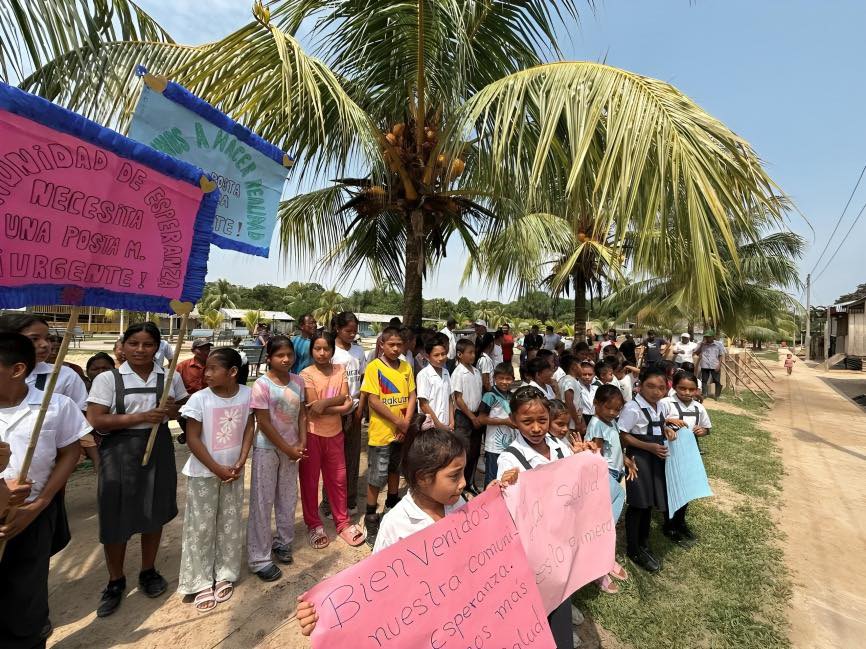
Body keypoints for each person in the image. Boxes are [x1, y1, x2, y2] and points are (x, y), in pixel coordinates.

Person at [296, 424, 472, 637]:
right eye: (454, 476)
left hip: (460, 618)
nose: (463, 483)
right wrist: (322, 610)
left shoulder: (458, 502)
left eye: (463, 473)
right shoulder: (395, 524)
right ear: (423, 478)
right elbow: (374, 587)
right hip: (421, 628)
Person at [87, 322, 187, 617]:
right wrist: (141, 416)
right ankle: (115, 580)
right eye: (134, 343)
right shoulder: (108, 379)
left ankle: (148, 570)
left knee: (153, 510)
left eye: (147, 344)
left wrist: (171, 411)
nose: (140, 350)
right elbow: (96, 419)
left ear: (157, 348)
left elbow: (181, 409)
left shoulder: (169, 377)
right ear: (123, 346)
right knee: (115, 514)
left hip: (158, 449)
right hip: (119, 451)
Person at [0, 333, 89, 649]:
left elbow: (70, 451)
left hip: (32, 515)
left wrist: (42, 501)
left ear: (17, 369)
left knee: (26, 593)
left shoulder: (56, 406)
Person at [496, 386, 575, 649]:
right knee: (535, 600)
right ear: (514, 421)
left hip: (563, 536)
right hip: (535, 546)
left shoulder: (560, 447)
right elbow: (507, 503)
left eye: (542, 420)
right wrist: (505, 486)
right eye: (527, 422)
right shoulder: (510, 458)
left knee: (562, 592)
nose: (536, 428)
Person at [177, 348, 255, 612]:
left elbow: (248, 426)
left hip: (234, 470)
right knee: (201, 526)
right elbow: (193, 438)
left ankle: (225, 573)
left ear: (232, 372)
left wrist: (242, 459)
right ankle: (198, 581)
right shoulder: (199, 400)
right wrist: (216, 468)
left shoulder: (247, 395)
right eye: (205, 368)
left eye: (212, 369)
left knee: (230, 523)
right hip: (204, 473)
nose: (206, 374)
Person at [248, 336, 307, 582]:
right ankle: (259, 558)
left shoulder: (298, 381)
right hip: (267, 449)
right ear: (269, 358)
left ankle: (283, 542)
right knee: (262, 502)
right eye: (279, 355)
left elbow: (302, 414)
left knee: (287, 497)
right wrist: (287, 448)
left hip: (292, 449)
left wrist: (301, 443)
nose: (285, 359)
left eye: (289, 355)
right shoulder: (261, 385)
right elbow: (263, 422)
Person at [300, 331, 366, 548]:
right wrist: (340, 404)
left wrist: (327, 403)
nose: (321, 353)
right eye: (317, 348)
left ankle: (342, 522)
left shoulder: (340, 369)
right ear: (311, 350)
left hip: (335, 434)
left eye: (326, 349)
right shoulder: (306, 374)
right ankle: (313, 525)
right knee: (310, 483)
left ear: (332, 350)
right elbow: (314, 408)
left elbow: (340, 402)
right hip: (312, 435)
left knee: (338, 480)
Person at [618, 366, 685, 573]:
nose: (656, 392)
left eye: (661, 388)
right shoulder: (632, 408)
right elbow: (623, 434)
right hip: (639, 459)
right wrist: (649, 447)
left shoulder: (661, 407)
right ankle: (633, 548)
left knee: (649, 503)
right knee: (638, 503)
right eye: (650, 386)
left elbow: (659, 424)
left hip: (656, 459)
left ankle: (644, 542)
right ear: (640, 386)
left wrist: (667, 430)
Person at [360, 326, 416, 548]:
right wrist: (398, 421)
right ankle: (371, 517)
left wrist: (406, 423)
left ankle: (392, 505)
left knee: (395, 469)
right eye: (390, 344)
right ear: (381, 345)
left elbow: (412, 395)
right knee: (376, 476)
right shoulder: (374, 367)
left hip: (401, 431)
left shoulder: (406, 367)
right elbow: (373, 400)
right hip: (381, 433)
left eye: (399, 345)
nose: (395, 348)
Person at [584, 385, 636, 594]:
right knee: (602, 526)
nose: (613, 413)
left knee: (609, 524)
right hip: (603, 477)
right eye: (609, 408)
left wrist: (626, 461)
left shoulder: (611, 422)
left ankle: (606, 559)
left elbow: (613, 449)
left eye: (617, 409)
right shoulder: (597, 424)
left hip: (615, 474)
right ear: (596, 404)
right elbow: (595, 454)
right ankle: (597, 570)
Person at [328, 313, 367, 516]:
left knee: (352, 458)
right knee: (333, 460)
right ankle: (329, 501)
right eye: (348, 331)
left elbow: (362, 383)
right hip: (333, 413)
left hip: (354, 411)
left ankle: (350, 499)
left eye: (355, 331)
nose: (352, 334)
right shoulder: (331, 352)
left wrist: (359, 411)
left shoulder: (359, 352)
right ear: (337, 329)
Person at [451, 338, 483, 495]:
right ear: (459, 354)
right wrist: (471, 417)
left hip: (476, 415)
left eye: (474, 352)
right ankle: (460, 484)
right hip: (464, 417)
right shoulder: (458, 373)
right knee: (464, 450)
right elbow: (458, 398)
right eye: (469, 353)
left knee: (475, 450)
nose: (473, 355)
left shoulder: (476, 371)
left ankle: (470, 482)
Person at [477, 362, 516, 487]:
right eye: (501, 378)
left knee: (506, 478)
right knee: (492, 479)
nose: (504, 382)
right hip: (494, 445)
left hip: (509, 444)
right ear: (494, 379)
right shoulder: (489, 396)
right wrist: (504, 422)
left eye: (508, 378)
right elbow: (481, 419)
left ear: (513, 379)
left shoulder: (511, 396)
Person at [416, 337, 454, 431]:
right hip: (430, 427)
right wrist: (438, 425)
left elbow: (449, 398)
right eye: (436, 355)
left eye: (443, 354)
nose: (441, 358)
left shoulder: (446, 372)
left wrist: (452, 421)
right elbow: (423, 404)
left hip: (446, 426)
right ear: (428, 357)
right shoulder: (424, 375)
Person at [695, 329, 726, 399]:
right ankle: (704, 394)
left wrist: (719, 365)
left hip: (715, 365)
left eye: (709, 337)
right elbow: (697, 353)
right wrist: (701, 345)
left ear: (713, 337)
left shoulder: (718, 344)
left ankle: (717, 395)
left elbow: (721, 355)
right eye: (706, 337)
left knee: (717, 380)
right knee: (704, 380)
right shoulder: (702, 344)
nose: (707, 338)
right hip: (705, 365)